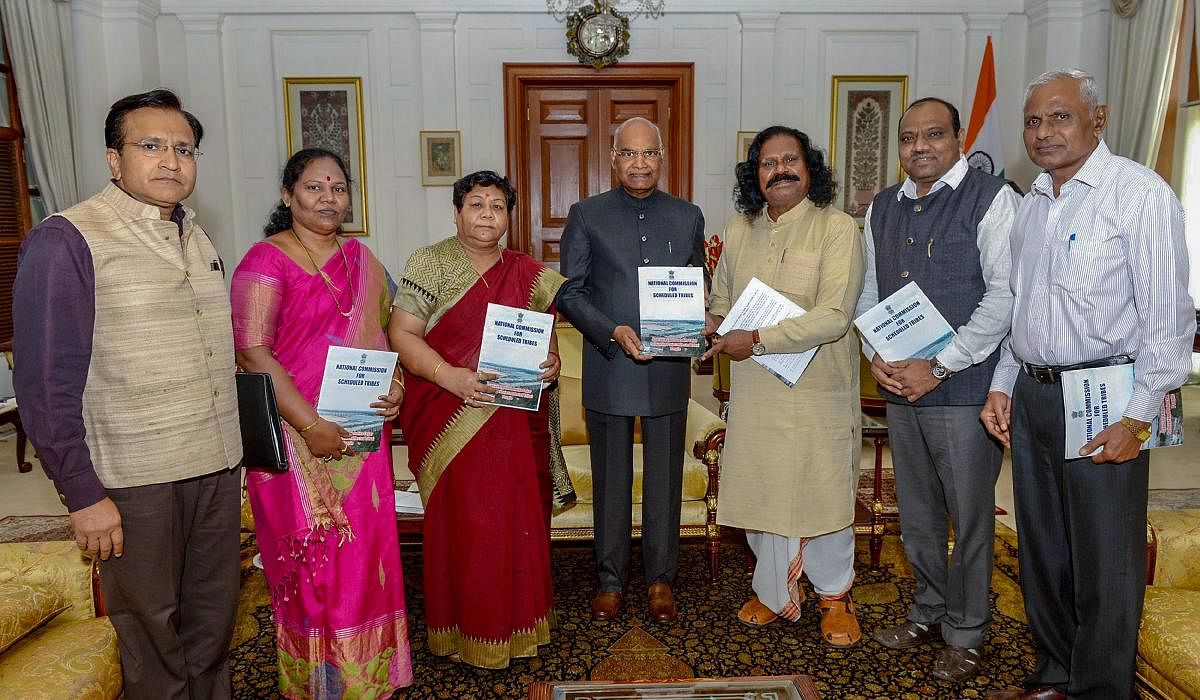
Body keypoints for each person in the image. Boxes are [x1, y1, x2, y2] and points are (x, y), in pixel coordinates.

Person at [11, 89, 241, 699]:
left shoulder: (197, 236)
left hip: (215, 466)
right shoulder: (68, 240)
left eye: (184, 149)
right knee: (150, 636)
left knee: (213, 624)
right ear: (114, 159)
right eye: (152, 146)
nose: (171, 160)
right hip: (134, 480)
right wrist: (82, 493)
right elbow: (43, 383)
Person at [982, 70, 1195, 700]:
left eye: (1059, 118)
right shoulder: (1031, 205)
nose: (1043, 132)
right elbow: (1020, 307)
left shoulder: (1139, 195)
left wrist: (1140, 419)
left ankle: (1102, 688)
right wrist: (1003, 383)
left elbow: (1168, 318)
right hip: (1036, 396)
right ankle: (1055, 672)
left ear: (1096, 122)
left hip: (1111, 397)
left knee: (1106, 559)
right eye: (1033, 121)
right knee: (1042, 548)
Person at [230, 148, 413, 698]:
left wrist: (397, 387)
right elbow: (252, 353)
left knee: (365, 560)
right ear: (288, 196)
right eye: (314, 187)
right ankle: (323, 683)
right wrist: (311, 427)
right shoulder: (264, 263)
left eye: (338, 187)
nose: (328, 198)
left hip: (361, 438)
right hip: (295, 439)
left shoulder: (365, 262)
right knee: (315, 564)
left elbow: (387, 342)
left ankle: (369, 677)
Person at [856, 98, 1019, 682]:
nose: (919, 146)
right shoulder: (882, 207)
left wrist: (941, 366)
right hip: (902, 388)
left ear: (957, 138)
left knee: (970, 517)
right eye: (907, 137)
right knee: (918, 513)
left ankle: (967, 630)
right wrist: (875, 350)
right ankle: (928, 609)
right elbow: (870, 289)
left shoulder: (993, 198)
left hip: (965, 389)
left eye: (933, 135)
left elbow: (1003, 297)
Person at [389, 170, 564, 669]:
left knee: (515, 523)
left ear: (510, 215)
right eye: (476, 204)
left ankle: (519, 628)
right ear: (457, 211)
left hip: (513, 424)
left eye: (497, 206)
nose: (487, 214)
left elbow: (544, 337)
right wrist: (453, 377)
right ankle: (462, 633)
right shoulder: (432, 261)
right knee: (466, 526)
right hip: (450, 414)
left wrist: (552, 361)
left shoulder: (528, 271)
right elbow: (402, 334)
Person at [701, 125, 865, 646]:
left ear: (810, 167)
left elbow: (835, 317)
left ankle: (835, 596)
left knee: (824, 493)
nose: (780, 170)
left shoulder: (837, 229)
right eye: (767, 163)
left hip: (818, 392)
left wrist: (756, 337)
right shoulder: (739, 228)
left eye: (790, 159)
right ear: (755, 176)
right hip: (758, 392)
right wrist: (711, 322)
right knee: (764, 492)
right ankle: (772, 591)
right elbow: (722, 298)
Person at [557, 117, 707, 623]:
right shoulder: (586, 214)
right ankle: (610, 579)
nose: (640, 164)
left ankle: (661, 580)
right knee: (611, 481)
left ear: (662, 158)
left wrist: (702, 321)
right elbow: (569, 292)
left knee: (664, 480)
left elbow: (695, 286)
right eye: (629, 154)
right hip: (610, 365)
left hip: (667, 370)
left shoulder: (687, 216)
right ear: (613, 158)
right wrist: (612, 330)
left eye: (650, 154)